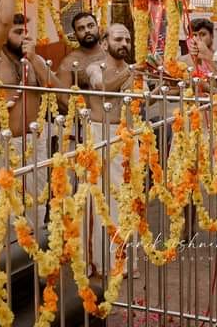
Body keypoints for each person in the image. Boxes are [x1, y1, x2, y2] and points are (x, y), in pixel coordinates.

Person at [0, 0, 61, 228]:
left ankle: (31, 267)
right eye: (17, 32)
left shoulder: (29, 60)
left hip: (35, 145)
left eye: (25, 31)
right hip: (5, 146)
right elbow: (1, 24)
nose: (23, 36)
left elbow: (62, 93)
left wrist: (35, 58)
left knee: (34, 215)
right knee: (4, 218)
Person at [85, 24, 136, 275]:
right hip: (100, 136)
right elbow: (101, 87)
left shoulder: (133, 71)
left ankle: (124, 261)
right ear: (105, 43)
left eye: (127, 39)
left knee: (126, 199)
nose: (124, 43)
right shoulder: (95, 68)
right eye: (118, 39)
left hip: (127, 138)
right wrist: (130, 75)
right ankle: (102, 263)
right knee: (101, 200)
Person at [64, 11, 105, 88]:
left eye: (91, 26)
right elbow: (62, 96)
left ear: (99, 28)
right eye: (81, 28)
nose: (87, 31)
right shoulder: (69, 62)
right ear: (75, 35)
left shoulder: (110, 52)